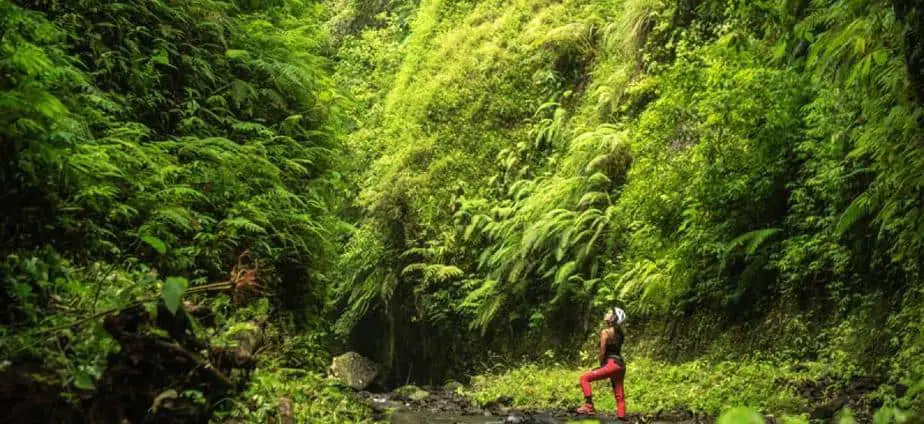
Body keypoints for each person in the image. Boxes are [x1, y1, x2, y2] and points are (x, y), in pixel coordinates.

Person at [575, 306, 626, 418]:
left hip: (611, 364)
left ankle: (589, 407)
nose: (606, 313)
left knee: (584, 378)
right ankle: (622, 415)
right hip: (621, 365)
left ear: (613, 318)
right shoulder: (620, 334)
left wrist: (601, 364)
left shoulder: (605, 332)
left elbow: (602, 351)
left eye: (609, 312)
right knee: (619, 392)